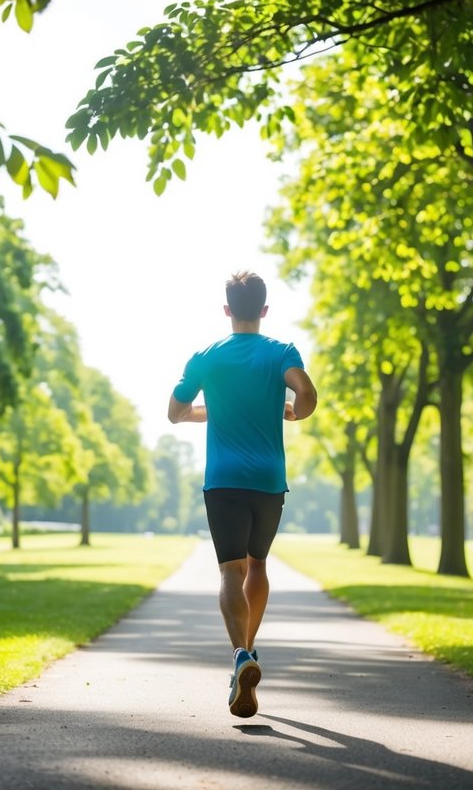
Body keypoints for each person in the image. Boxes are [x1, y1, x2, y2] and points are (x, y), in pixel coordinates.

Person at [167, 271, 317, 718]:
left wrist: (208, 412)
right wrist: (293, 413)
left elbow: (174, 412)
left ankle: (240, 657)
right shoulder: (281, 352)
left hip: (224, 480)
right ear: (265, 310)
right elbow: (306, 392)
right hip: (269, 480)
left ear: (227, 309)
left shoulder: (205, 357)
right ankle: (248, 651)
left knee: (229, 571)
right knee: (257, 564)